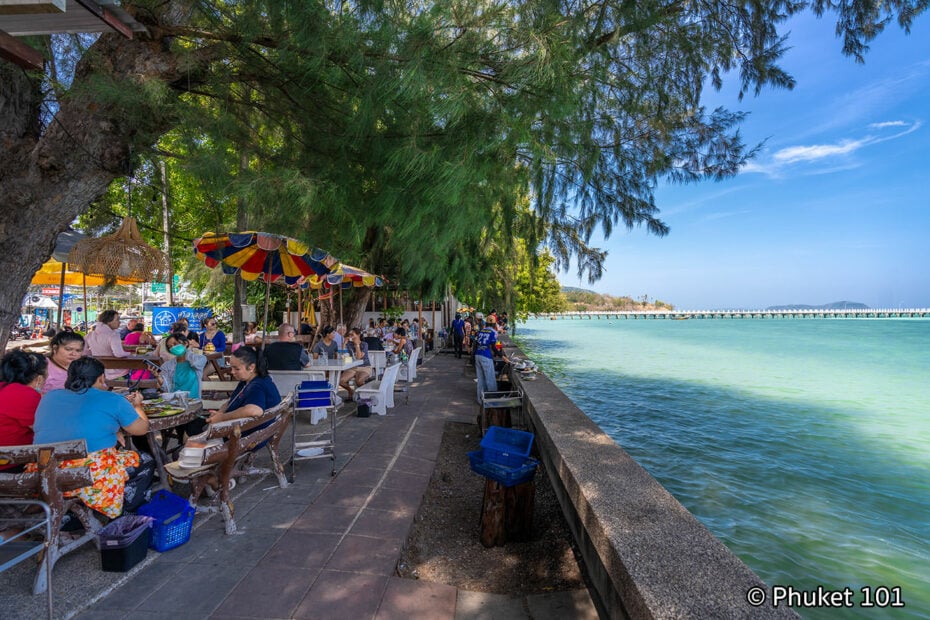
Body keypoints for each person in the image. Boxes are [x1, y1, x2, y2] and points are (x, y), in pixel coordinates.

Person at [32, 357, 153, 517]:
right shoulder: (113, 399)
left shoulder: (49, 397)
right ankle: (122, 513)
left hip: (45, 472)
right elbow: (141, 429)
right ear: (101, 377)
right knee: (145, 460)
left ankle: (79, 512)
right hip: (91, 474)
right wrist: (138, 406)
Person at [205, 346, 281, 426]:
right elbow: (232, 400)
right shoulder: (247, 380)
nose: (232, 372)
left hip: (250, 436)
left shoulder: (258, 385)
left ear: (251, 367)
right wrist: (219, 413)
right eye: (231, 367)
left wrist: (222, 417)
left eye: (237, 369)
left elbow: (254, 410)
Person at [0, 351, 47, 465]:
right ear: (39, 379)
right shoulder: (25, 395)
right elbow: (44, 430)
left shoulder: (5, 387)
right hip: (9, 462)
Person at [84, 309, 131, 381]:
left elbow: (83, 351)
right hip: (117, 372)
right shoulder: (113, 335)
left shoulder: (90, 335)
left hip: (98, 371)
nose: (119, 322)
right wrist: (131, 354)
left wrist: (94, 354)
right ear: (109, 321)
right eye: (117, 319)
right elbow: (119, 354)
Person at [159, 333, 207, 398]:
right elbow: (167, 389)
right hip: (174, 402)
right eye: (170, 346)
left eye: (175, 344)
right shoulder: (167, 366)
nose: (173, 347)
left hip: (193, 402)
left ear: (185, 343)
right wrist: (160, 380)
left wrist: (187, 350)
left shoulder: (200, 359)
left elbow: (196, 363)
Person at [339, 328, 372, 398]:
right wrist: (344, 344)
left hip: (364, 367)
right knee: (341, 381)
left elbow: (359, 357)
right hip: (352, 367)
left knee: (359, 381)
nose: (350, 336)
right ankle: (350, 391)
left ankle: (365, 394)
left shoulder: (364, 344)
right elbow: (341, 354)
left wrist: (357, 345)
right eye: (349, 335)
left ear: (358, 335)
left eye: (352, 334)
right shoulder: (349, 344)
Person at [473, 318, 499, 403]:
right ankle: (491, 400)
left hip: (477, 355)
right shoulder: (494, 332)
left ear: (486, 323)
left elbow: (476, 344)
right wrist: (502, 356)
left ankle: (480, 399)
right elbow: (494, 347)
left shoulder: (481, 330)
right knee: (490, 378)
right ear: (494, 324)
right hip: (486, 356)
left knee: (480, 379)